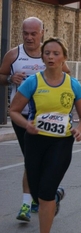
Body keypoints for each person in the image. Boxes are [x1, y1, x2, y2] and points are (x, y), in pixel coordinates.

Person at [9, 37, 81, 233]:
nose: (51, 57)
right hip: (35, 141)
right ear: (42, 57)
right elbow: (13, 110)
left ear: (63, 57)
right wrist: (27, 125)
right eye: (47, 53)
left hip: (61, 142)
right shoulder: (33, 82)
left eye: (56, 53)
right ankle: (54, 195)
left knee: (44, 195)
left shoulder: (72, 84)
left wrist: (79, 130)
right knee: (37, 194)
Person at [0, 17, 69, 222]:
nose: (29, 37)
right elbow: (1, 75)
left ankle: (47, 196)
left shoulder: (50, 54)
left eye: (33, 33)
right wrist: (10, 79)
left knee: (40, 162)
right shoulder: (14, 55)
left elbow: (67, 76)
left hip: (49, 118)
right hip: (22, 117)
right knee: (31, 160)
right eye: (25, 33)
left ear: (42, 32)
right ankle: (29, 203)